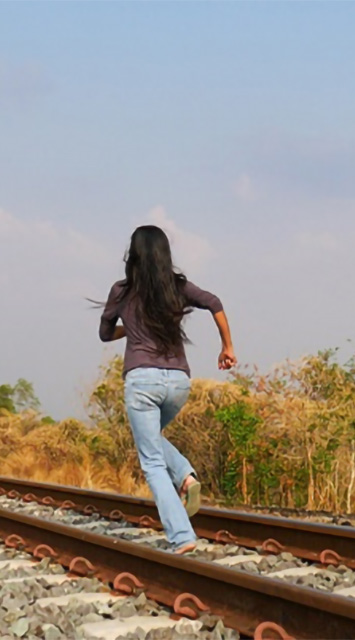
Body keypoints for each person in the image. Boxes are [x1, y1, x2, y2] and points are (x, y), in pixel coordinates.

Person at [98, 225, 236, 554]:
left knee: (152, 462)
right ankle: (186, 477)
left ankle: (181, 536)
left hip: (142, 381)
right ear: (165, 254)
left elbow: (105, 333)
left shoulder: (121, 290)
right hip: (178, 382)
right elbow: (214, 302)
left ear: (133, 255)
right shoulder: (178, 287)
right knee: (152, 441)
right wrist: (227, 347)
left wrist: (128, 330)